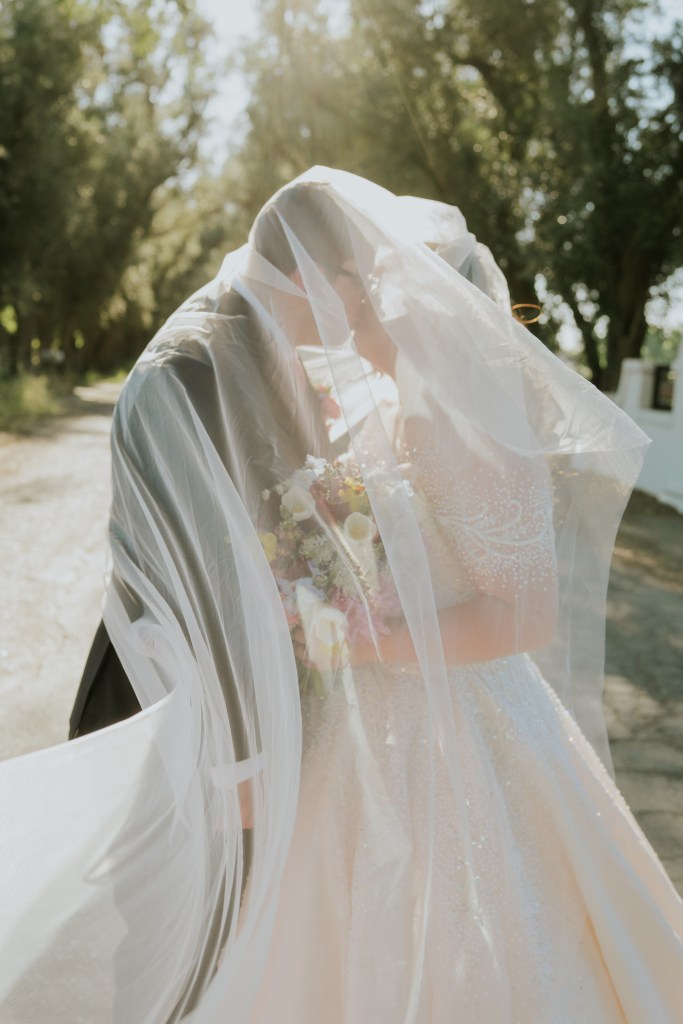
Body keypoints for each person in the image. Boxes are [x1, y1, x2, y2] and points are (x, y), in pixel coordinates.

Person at [1, 168, 682, 1023]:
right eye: (363, 293)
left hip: (454, 721)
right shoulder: (380, 410)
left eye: (380, 297)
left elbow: (525, 611)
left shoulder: (458, 425)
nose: (357, 319)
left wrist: (366, 637)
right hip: (356, 717)